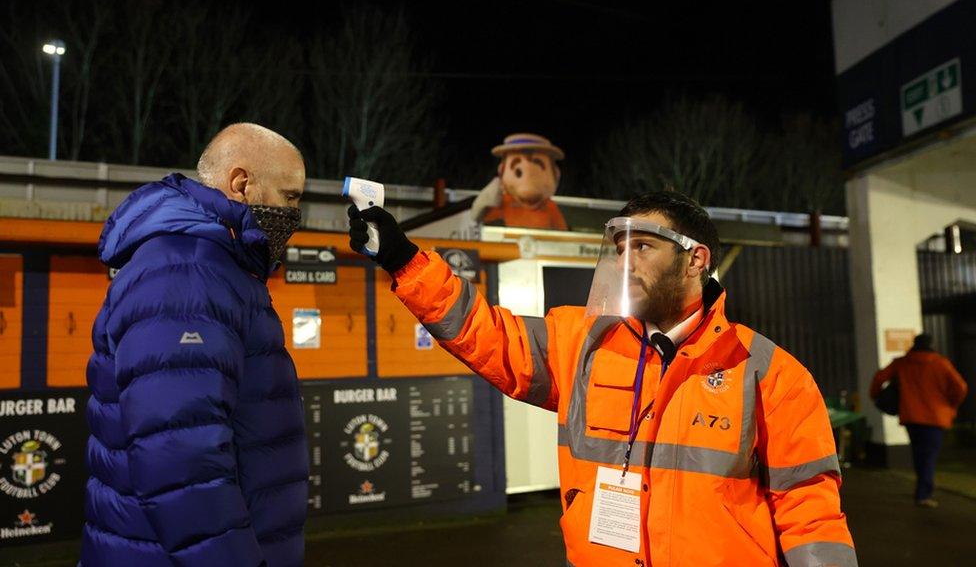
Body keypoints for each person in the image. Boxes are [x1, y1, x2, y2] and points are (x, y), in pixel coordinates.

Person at [347, 191, 856, 566]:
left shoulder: (769, 372)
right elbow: (487, 334)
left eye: (643, 248)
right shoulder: (583, 342)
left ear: (695, 259)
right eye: (619, 247)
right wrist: (404, 261)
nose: (624, 261)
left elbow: (810, 509)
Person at [82, 123, 309, 566]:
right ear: (242, 184)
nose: (296, 214)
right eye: (291, 197)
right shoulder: (188, 270)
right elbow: (180, 456)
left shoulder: (214, 267)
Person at [870, 333, 968, 508]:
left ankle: (921, 489)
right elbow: (960, 387)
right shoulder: (940, 363)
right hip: (935, 418)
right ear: (932, 344)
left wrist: (876, 396)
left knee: (919, 454)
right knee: (929, 455)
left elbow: (879, 378)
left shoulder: (902, 363)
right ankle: (923, 494)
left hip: (911, 416)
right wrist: (950, 404)